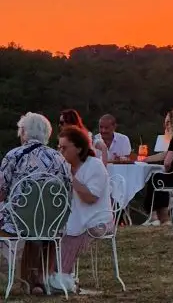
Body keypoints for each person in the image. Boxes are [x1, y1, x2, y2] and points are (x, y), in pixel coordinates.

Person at [0, 113, 71, 295]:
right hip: (51, 222)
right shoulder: (59, 158)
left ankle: (20, 278)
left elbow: (1, 190)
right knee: (38, 226)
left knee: (23, 218)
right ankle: (37, 279)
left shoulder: (14, 155)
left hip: (18, 221)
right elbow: (67, 191)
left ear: (23, 131)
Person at [50, 126, 113, 293]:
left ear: (78, 148)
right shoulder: (63, 168)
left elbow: (91, 198)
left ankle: (61, 277)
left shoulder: (95, 166)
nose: (60, 151)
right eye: (58, 147)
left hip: (98, 220)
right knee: (50, 231)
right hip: (73, 217)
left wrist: (71, 177)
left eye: (64, 148)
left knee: (73, 230)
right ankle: (46, 275)